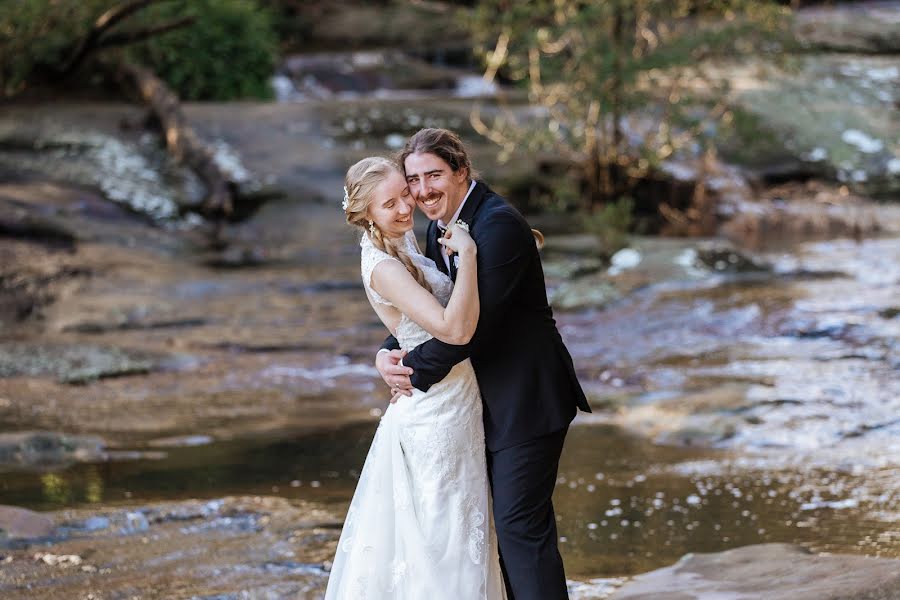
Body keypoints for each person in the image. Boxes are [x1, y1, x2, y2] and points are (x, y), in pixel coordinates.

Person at [376, 128, 592, 600]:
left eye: (434, 175)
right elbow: (436, 307)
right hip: (475, 402)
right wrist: (387, 350)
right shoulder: (438, 225)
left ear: (461, 171)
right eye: (413, 180)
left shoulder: (498, 227)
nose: (423, 190)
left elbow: (472, 327)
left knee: (520, 531)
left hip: (525, 398)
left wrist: (411, 372)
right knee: (492, 533)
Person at [324, 156, 507, 599]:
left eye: (405, 194)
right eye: (390, 204)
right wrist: (467, 254)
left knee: (461, 533)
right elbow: (453, 328)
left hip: (455, 402)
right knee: (443, 539)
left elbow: (406, 327)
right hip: (435, 417)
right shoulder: (383, 266)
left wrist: (385, 353)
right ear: (366, 213)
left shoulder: (402, 246)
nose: (406, 207)